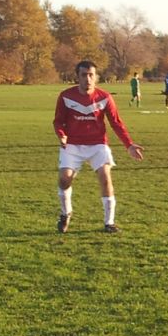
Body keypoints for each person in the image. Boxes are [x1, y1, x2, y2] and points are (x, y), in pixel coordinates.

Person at [54, 60, 144, 233]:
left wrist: (129, 145)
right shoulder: (66, 96)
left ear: (96, 77)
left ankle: (109, 222)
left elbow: (116, 123)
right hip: (72, 145)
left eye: (91, 75)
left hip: (97, 144)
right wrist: (61, 135)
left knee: (105, 177)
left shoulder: (104, 97)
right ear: (77, 77)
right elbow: (58, 121)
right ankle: (66, 213)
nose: (87, 79)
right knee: (64, 179)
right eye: (83, 75)